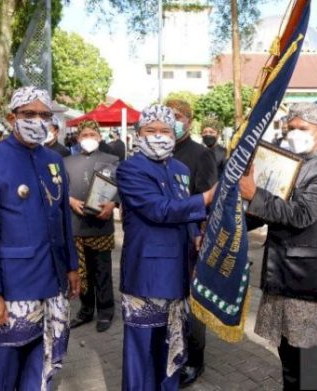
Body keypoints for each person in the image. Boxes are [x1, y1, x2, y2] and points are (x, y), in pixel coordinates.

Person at [0, 86, 80, 389]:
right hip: (13, 287)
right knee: (2, 371)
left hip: (52, 280)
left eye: (44, 115)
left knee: (41, 367)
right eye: (29, 114)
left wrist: (72, 266)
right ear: (11, 117)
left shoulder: (53, 159)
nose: (37, 120)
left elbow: (63, 219)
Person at [239, 103, 317, 390]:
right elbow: (264, 212)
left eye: (302, 129)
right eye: (291, 128)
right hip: (278, 269)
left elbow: (301, 215)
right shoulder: (283, 162)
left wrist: (255, 194)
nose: (294, 134)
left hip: (305, 275)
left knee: (306, 356)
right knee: (287, 353)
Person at [117, 104, 216, 391]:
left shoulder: (181, 169)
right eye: (151, 131)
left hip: (179, 273)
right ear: (138, 134)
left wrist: (197, 232)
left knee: (172, 347)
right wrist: (206, 199)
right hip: (147, 276)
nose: (159, 137)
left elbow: (184, 214)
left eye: (165, 131)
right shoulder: (130, 169)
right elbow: (159, 209)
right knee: (142, 353)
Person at [164, 99, 218, 386]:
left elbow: (208, 200)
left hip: (191, 239)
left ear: (189, 120)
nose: (172, 121)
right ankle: (173, 352)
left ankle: (195, 360)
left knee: (192, 304)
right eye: (168, 115)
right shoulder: (159, 151)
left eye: (177, 116)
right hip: (162, 240)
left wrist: (201, 235)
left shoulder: (200, 154)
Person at [65, 120, 119, 332]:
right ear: (78, 138)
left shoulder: (112, 160)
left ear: (99, 137)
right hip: (77, 225)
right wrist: (69, 200)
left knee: (102, 271)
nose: (89, 138)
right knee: (82, 271)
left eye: (92, 135)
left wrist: (114, 203)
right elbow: (60, 189)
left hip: (101, 225)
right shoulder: (66, 162)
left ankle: (106, 311)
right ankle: (86, 310)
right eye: (84, 135)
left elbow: (122, 187)